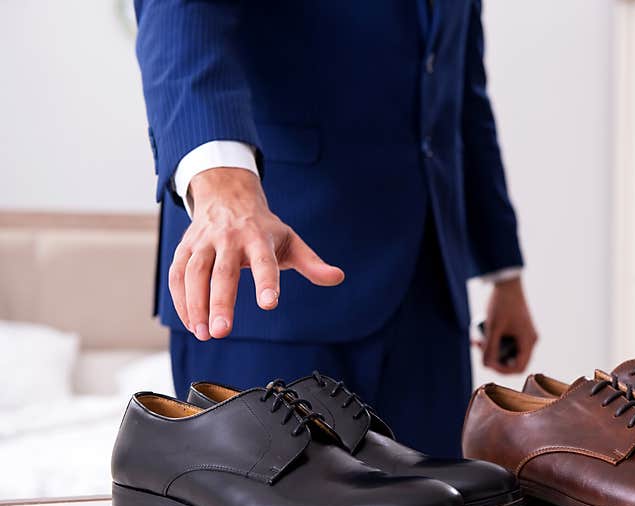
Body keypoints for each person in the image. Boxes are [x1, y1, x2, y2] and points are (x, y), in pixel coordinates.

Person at [134, 0, 537, 457]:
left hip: (428, 301)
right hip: (276, 283)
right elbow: (182, 13)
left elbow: (461, 93)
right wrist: (221, 184)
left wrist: (503, 274)